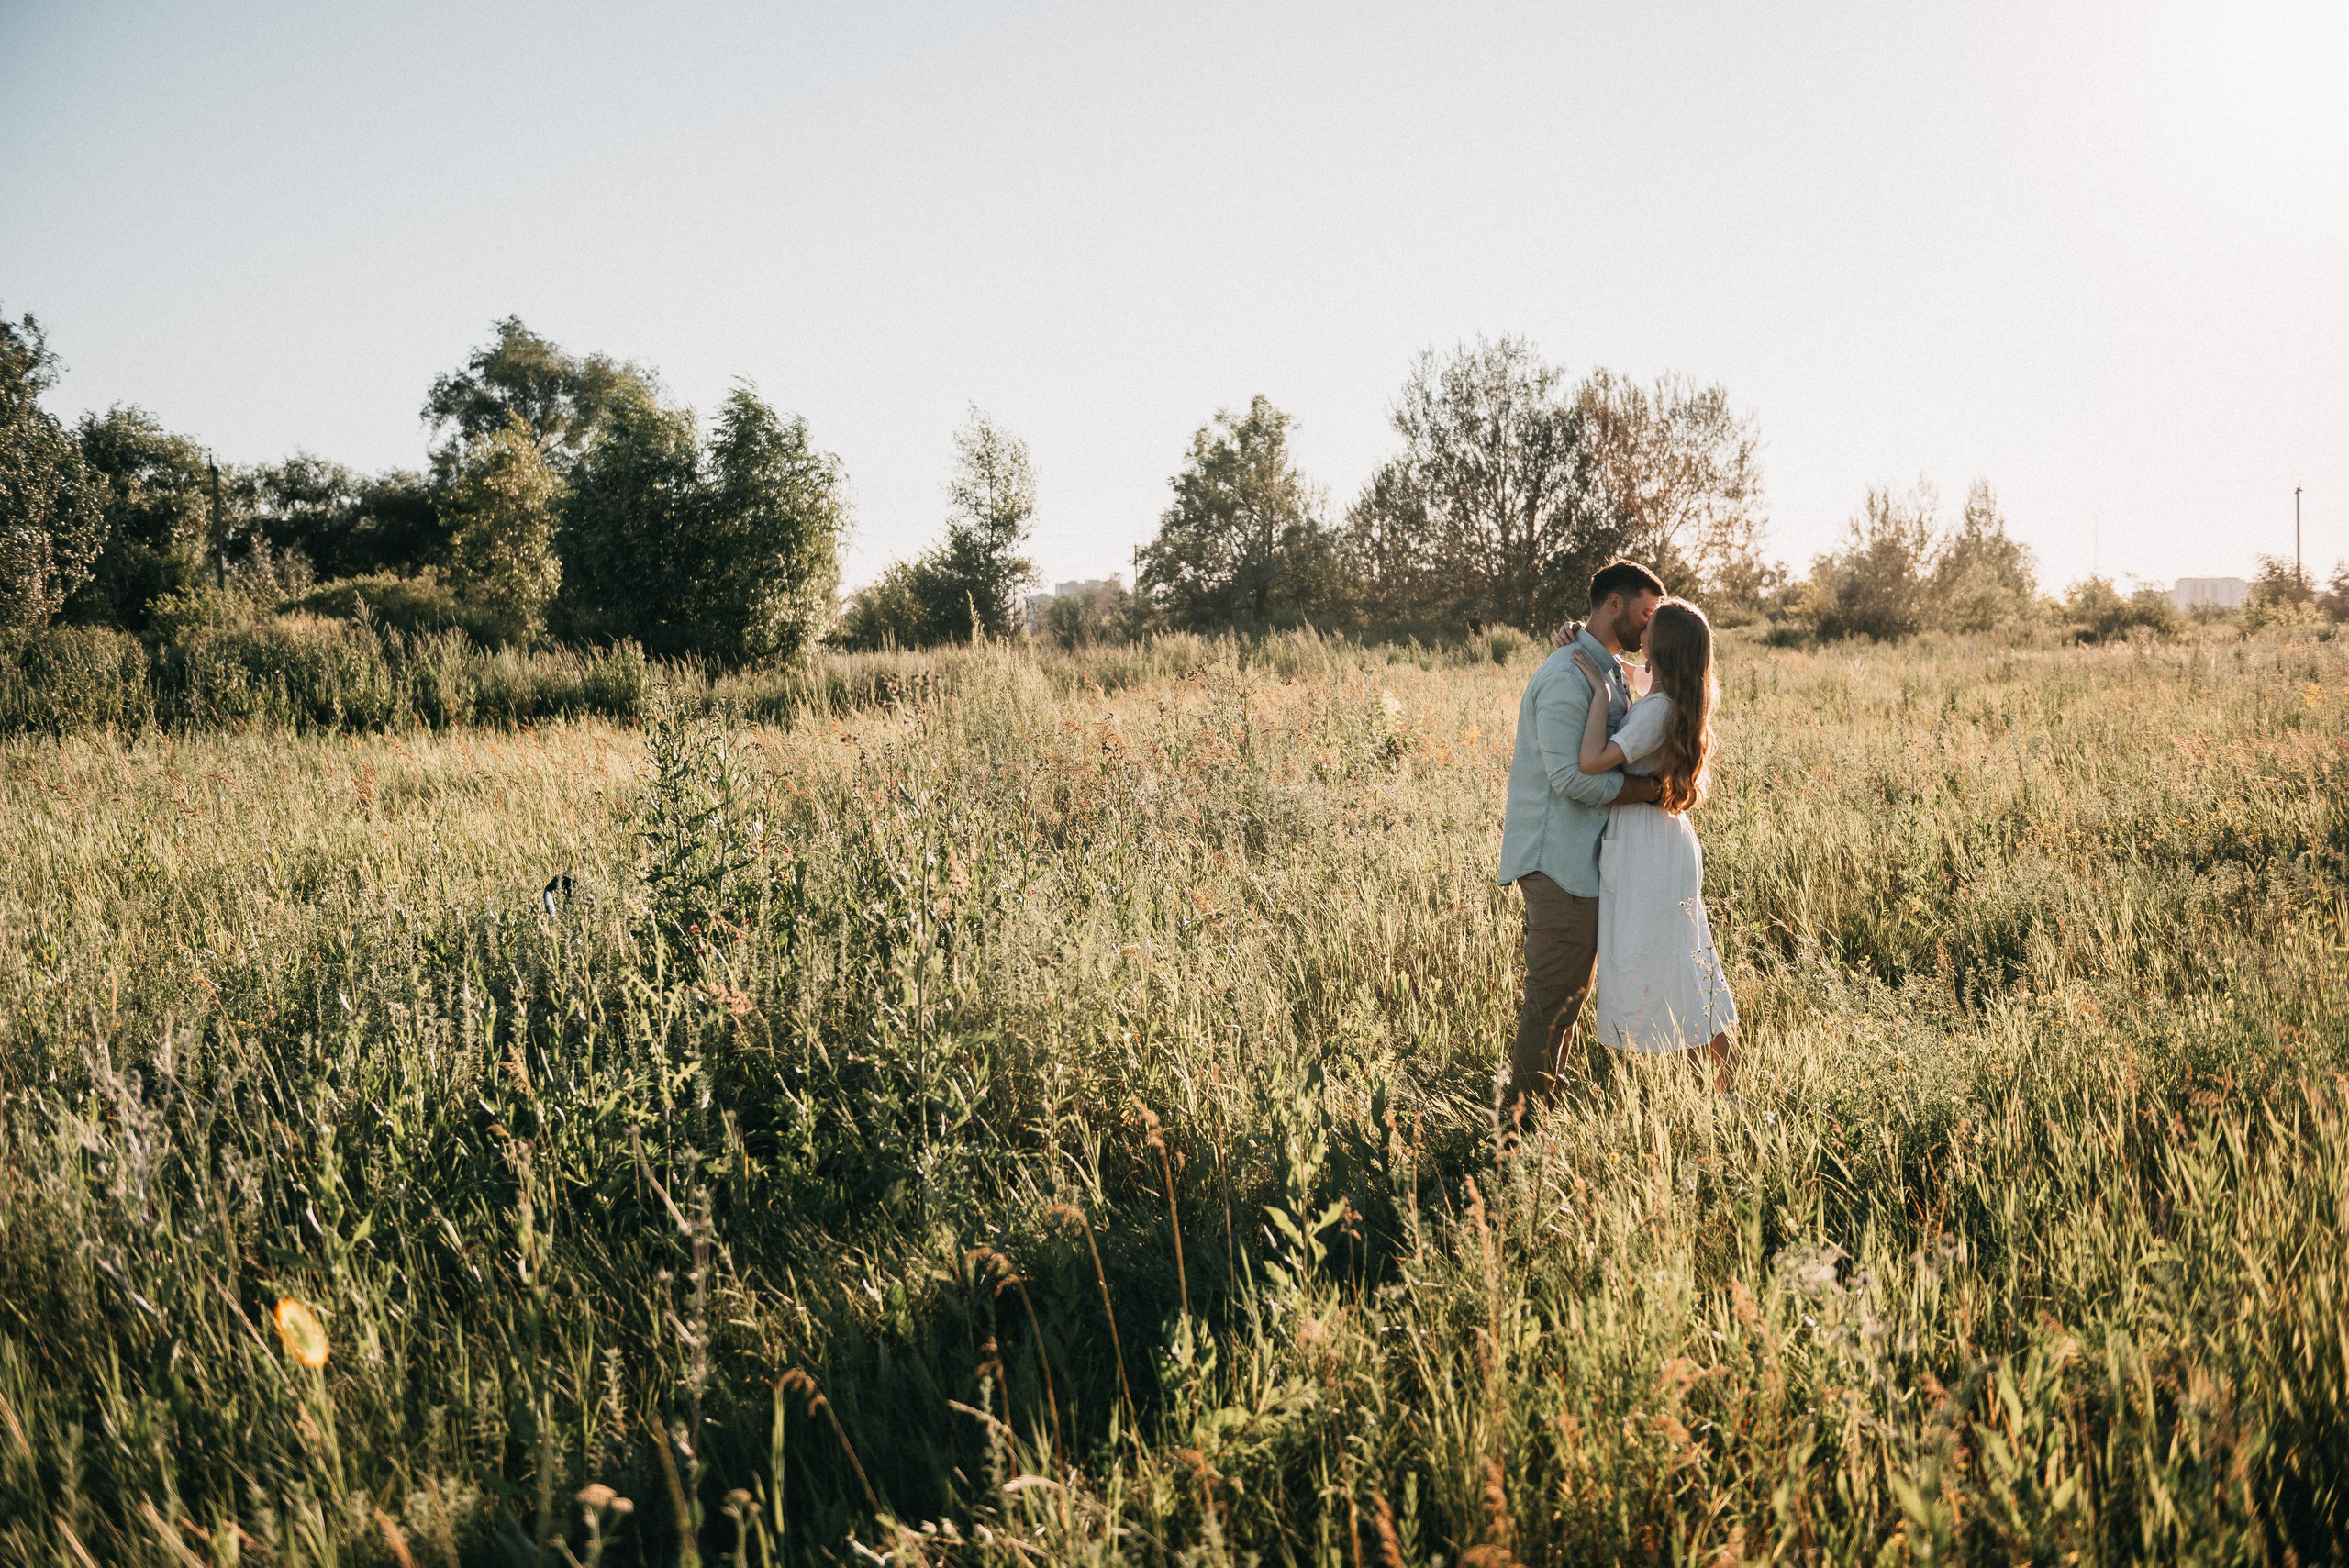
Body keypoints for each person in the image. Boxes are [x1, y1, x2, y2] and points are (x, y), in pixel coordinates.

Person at [1497, 560, 1666, 1115]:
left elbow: (1664, 679)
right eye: (1646, 614)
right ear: (1613, 604)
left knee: (1568, 1001)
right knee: (1550, 1003)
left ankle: (1541, 1111)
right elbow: (1569, 779)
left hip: (1585, 864)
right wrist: (1646, 793)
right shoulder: (1567, 678)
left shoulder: (1607, 668)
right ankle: (1516, 1137)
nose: (1650, 629)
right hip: (1558, 864)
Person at [1569, 597, 1737, 1091]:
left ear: (1661, 647)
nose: (1640, 633)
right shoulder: (1680, 696)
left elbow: (1590, 762)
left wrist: (1600, 693)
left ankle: (1716, 1090)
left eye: (1649, 629)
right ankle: (1719, 1091)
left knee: (1662, 961)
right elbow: (1635, 675)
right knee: (1687, 959)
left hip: (1645, 848)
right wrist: (1586, 642)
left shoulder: (1657, 710)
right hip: (1665, 844)